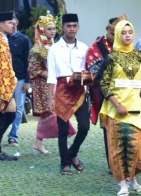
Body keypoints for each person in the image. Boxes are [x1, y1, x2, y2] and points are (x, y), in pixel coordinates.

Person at [100, 20, 141, 195]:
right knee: (119, 146)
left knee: (135, 146)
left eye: (130, 32)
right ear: (118, 35)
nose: (127, 35)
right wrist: (117, 104)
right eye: (123, 32)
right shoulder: (111, 57)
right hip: (116, 108)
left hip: (137, 107)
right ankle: (123, 184)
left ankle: (133, 177)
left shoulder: (139, 56)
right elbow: (104, 84)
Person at [46, 13, 89, 175]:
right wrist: (50, 97)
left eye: (74, 26)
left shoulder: (84, 48)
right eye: (68, 26)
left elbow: (88, 70)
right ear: (62, 28)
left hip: (79, 91)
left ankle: (71, 153)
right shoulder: (54, 49)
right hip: (62, 90)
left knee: (84, 127)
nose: (71, 29)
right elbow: (51, 75)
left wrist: (86, 82)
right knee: (63, 130)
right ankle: (65, 163)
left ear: (78, 27)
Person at [28, 12, 75, 155]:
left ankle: (39, 142)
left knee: (50, 112)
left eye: (54, 29)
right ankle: (65, 132)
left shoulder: (56, 46)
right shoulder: (37, 49)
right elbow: (32, 68)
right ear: (42, 31)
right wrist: (50, 74)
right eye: (49, 29)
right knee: (48, 112)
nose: (52, 31)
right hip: (42, 85)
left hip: (55, 83)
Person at [86, 15, 125, 171]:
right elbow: (93, 71)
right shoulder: (96, 47)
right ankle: (113, 163)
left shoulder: (127, 47)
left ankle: (125, 161)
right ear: (108, 31)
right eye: (113, 33)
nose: (115, 37)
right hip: (105, 93)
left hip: (125, 94)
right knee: (109, 128)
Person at [0, 11, 19, 161]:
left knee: (7, 116)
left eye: (13, 22)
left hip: (4, 86)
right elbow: (0, 69)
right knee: (2, 117)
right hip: (1, 87)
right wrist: (5, 92)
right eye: (9, 22)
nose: (13, 24)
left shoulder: (2, 39)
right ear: (1, 25)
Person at [6, 12, 31, 148]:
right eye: (9, 20)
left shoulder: (24, 39)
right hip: (5, 80)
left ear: (17, 22)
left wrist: (27, 80)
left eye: (13, 19)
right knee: (4, 108)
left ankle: (13, 136)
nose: (12, 22)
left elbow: (29, 61)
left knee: (18, 108)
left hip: (20, 78)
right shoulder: (3, 39)